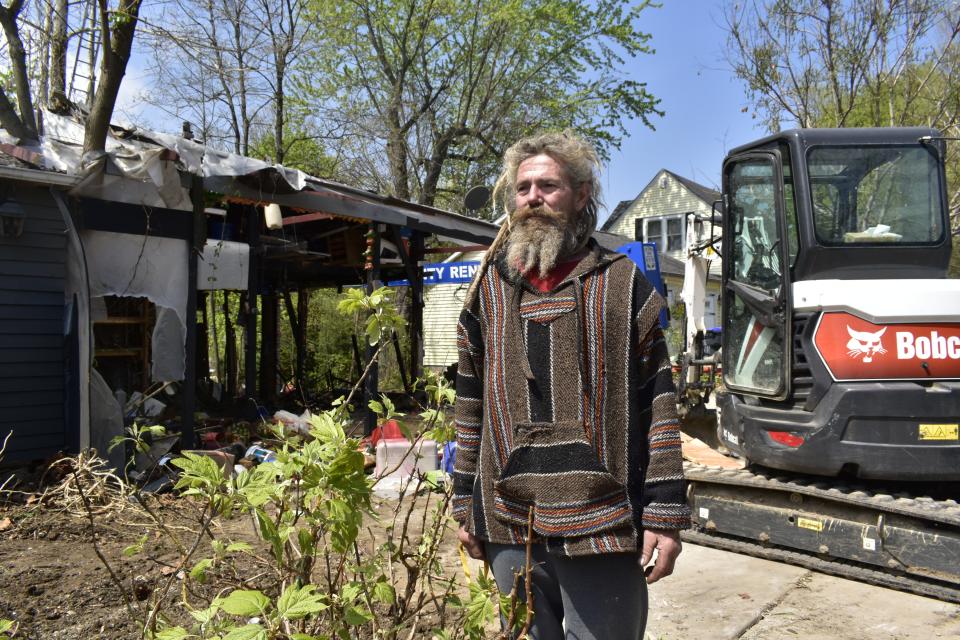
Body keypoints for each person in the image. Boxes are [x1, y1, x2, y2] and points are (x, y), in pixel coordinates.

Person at [452, 131, 690, 639]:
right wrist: (462, 503)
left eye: (548, 186)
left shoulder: (624, 284)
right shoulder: (486, 291)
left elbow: (661, 406)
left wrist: (665, 513)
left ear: (582, 195)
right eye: (523, 187)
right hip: (509, 522)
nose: (532, 197)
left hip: (603, 523)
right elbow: (469, 403)